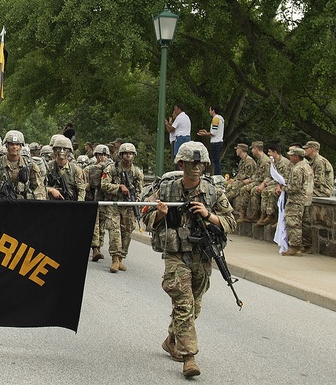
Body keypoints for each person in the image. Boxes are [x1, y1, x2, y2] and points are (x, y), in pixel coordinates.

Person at [142, 141, 236, 378]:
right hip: (176, 256)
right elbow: (146, 219)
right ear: (181, 164)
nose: (196, 168)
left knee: (194, 306)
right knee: (184, 304)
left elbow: (231, 222)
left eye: (200, 164)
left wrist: (208, 215)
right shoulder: (166, 190)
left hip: (202, 256)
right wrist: (160, 214)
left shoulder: (213, 192)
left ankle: (172, 340)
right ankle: (189, 358)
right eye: (191, 163)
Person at [100, 142, 144, 273]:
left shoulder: (137, 172)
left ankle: (121, 258)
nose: (128, 156)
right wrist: (118, 187)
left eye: (130, 154)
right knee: (114, 231)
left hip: (129, 206)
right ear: (121, 155)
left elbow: (140, 190)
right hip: (114, 205)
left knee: (127, 232)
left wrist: (136, 201)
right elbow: (104, 184)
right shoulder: (111, 169)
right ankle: (115, 259)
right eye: (125, 154)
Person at [0, 130, 44, 199]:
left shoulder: (29, 165)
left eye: (17, 144)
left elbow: (38, 188)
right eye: (11, 144)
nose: (14, 147)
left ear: (21, 146)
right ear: (6, 145)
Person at [282, 147, 314, 256]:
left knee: (293, 222)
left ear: (296, 157)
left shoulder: (297, 169)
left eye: (291, 155)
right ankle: (307, 245)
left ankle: (295, 247)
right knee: (305, 224)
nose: (289, 157)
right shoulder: (307, 166)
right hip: (306, 199)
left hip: (296, 200)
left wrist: (284, 187)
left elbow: (294, 187)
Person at [86, 144, 113, 262]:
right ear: (96, 155)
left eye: (105, 155)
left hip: (105, 200)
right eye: (100, 155)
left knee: (102, 225)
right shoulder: (90, 168)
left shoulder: (110, 169)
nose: (103, 157)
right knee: (95, 224)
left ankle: (98, 247)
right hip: (94, 199)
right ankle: (95, 249)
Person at [254, 144, 290, 227]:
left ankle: (271, 215)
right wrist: (263, 184)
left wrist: (279, 186)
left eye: (270, 152)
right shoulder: (273, 162)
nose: (268, 153)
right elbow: (270, 176)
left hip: (281, 184)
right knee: (264, 191)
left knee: (270, 192)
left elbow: (284, 178)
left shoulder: (285, 163)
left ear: (275, 152)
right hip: (274, 183)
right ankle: (264, 214)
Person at [43, 135, 86, 202]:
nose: (62, 151)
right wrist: (50, 190)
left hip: (70, 205)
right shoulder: (47, 167)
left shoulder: (75, 170)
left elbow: (81, 190)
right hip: (51, 205)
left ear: (69, 151)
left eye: (65, 149)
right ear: (54, 150)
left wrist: (79, 205)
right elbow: (39, 187)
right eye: (59, 148)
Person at [197, 105, 225, 175]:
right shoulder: (221, 118)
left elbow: (213, 133)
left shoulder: (215, 119)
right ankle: (217, 174)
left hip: (215, 142)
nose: (209, 112)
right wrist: (206, 132)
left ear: (213, 111)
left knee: (216, 161)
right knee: (216, 160)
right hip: (219, 141)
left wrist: (205, 134)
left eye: (210, 110)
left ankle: (217, 175)